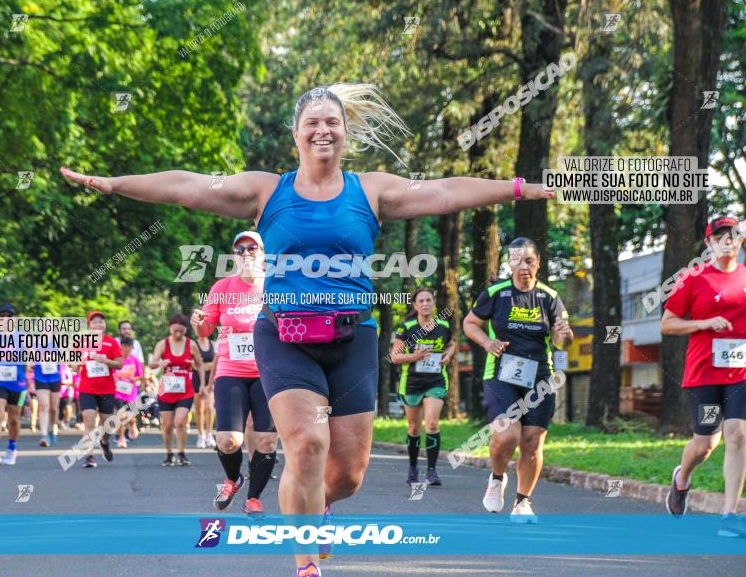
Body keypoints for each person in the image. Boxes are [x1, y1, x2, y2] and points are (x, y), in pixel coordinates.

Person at [61, 83, 551, 576]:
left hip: (353, 338)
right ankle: (306, 565)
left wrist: (517, 188)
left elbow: (446, 192)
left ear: (345, 132)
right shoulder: (267, 190)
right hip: (283, 337)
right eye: (312, 122)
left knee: (347, 476)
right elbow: (187, 187)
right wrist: (116, 182)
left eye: (331, 122)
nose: (322, 129)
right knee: (307, 444)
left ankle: (310, 500)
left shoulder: (371, 190)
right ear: (295, 134)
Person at [463, 238, 572, 523]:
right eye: (517, 261)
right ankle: (497, 478)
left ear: (538, 263)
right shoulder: (496, 293)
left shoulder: (550, 297)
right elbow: (469, 323)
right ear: (509, 264)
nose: (523, 267)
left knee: (532, 442)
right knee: (506, 436)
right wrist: (487, 342)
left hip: (540, 377)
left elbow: (563, 341)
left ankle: (523, 502)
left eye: (529, 261)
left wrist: (562, 334)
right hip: (502, 374)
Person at [661, 217, 746, 538]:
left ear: (741, 241)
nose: (727, 240)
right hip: (704, 374)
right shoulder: (693, 279)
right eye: (719, 236)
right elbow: (668, 323)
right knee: (706, 443)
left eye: (732, 235)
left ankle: (729, 515)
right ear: (709, 244)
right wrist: (703, 324)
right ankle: (682, 478)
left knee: (738, 436)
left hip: (744, 371)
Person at [192, 231, 278, 517]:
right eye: (239, 249)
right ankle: (233, 479)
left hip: (269, 372)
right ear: (233, 256)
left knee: (265, 440)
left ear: (263, 253)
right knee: (228, 440)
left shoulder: (276, 286)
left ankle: (254, 498)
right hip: (231, 370)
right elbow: (205, 330)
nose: (245, 253)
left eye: (252, 248)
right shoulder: (222, 287)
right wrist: (199, 324)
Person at [391, 289, 455, 487]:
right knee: (414, 428)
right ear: (415, 305)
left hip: (436, 381)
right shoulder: (407, 327)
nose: (425, 304)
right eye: (421, 301)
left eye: (429, 300)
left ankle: (432, 471)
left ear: (434, 303)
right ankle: (413, 468)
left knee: (432, 424)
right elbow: (395, 357)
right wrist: (415, 357)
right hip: (412, 383)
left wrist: (448, 355)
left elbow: (452, 344)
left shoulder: (443, 325)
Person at [149, 314, 205, 467]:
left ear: (186, 329)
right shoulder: (163, 344)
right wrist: (161, 362)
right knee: (167, 426)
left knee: (180, 422)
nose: (178, 334)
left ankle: (181, 453)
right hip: (166, 391)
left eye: (181, 331)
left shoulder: (191, 344)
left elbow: (200, 364)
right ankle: (169, 454)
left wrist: (202, 384)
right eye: (175, 331)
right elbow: (151, 364)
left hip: (185, 390)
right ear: (170, 328)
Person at [77, 311, 123, 468]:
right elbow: (73, 365)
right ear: (89, 325)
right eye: (94, 322)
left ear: (105, 325)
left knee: (109, 425)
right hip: (86, 388)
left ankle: (104, 441)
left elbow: (120, 364)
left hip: (106, 389)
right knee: (88, 421)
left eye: (101, 322)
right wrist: (77, 364)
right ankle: (89, 456)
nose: (98, 324)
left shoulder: (112, 343)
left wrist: (106, 360)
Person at [0, 303, 27, 466]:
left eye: (10, 316)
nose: (6, 319)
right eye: (3, 316)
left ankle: (11, 449)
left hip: (17, 381)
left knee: (14, 419)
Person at [114, 338, 143, 448]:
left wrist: (134, 379)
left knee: (130, 416)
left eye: (128, 347)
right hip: (118, 391)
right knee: (121, 415)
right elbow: (111, 372)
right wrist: (114, 379)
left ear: (132, 348)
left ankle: (132, 423)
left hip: (131, 392)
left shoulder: (134, 360)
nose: (126, 349)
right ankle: (121, 438)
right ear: (121, 347)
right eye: (124, 346)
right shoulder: (117, 360)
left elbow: (139, 374)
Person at [192, 330, 217, 449]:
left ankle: (209, 434)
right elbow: (194, 364)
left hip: (211, 379)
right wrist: (206, 365)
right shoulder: (193, 344)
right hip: (197, 378)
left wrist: (204, 365)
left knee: (209, 408)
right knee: (199, 409)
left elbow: (217, 362)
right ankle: (200, 434)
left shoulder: (213, 344)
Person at [34, 358, 63, 446]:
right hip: (40, 377)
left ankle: (51, 429)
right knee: (44, 406)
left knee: (54, 409)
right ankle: (44, 435)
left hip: (55, 378)